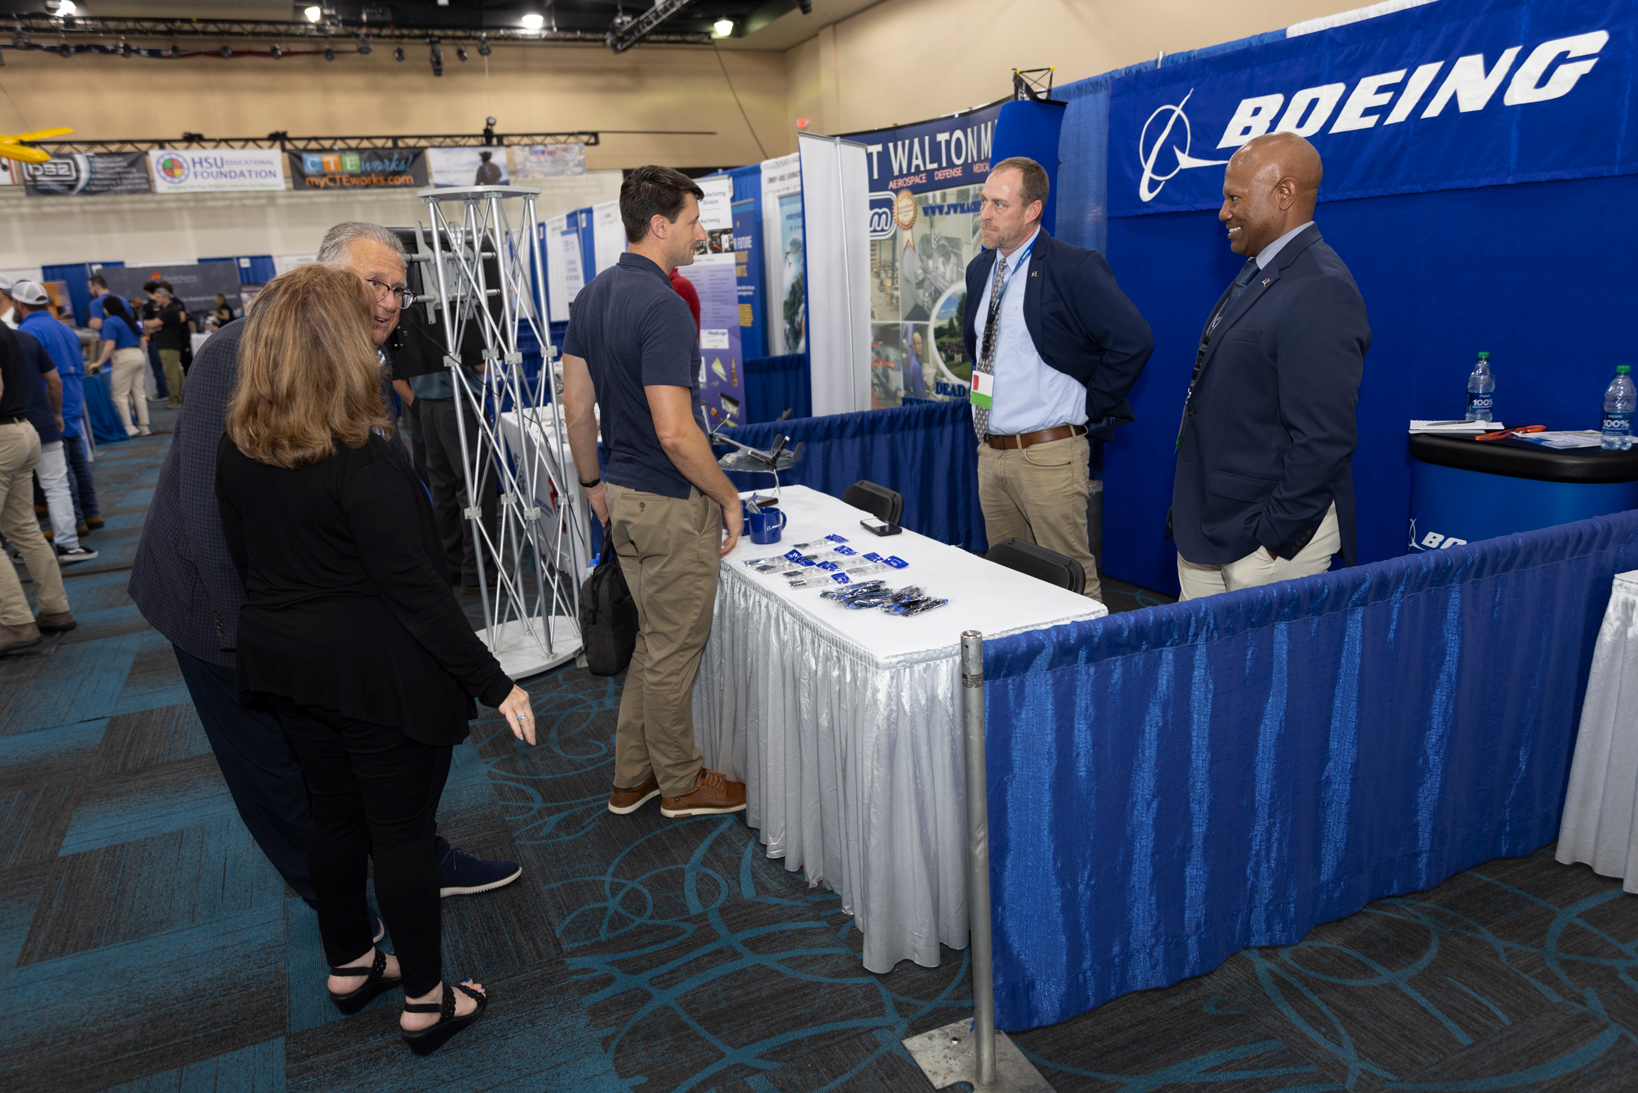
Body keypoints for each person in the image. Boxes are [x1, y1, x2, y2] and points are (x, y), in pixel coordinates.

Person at [129, 220, 523, 925]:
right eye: (373, 283)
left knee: (359, 760)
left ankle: (412, 859)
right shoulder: (236, 352)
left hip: (303, 607)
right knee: (281, 778)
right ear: (326, 278)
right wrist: (246, 640)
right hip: (218, 611)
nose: (388, 302)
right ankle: (345, 920)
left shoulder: (356, 353)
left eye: (399, 289)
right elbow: (205, 511)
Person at [216, 263, 532, 1053]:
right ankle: (427, 1002)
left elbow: (245, 560)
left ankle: (351, 964)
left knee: (334, 815)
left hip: (288, 669)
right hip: (375, 675)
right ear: (335, 346)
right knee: (398, 834)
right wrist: (496, 684)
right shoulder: (364, 456)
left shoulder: (237, 446)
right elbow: (419, 591)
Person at [562, 165, 748, 820]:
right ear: (661, 225)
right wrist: (728, 497)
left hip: (624, 495)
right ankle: (682, 781)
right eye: (695, 221)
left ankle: (631, 777)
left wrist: (593, 482)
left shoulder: (592, 297)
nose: (702, 233)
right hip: (670, 504)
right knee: (673, 652)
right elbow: (676, 432)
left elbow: (576, 408)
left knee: (653, 643)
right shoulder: (664, 305)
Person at [1170, 132, 1370, 600]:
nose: (1224, 212)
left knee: (1257, 675)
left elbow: (1324, 439)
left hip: (1261, 547)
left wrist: (1272, 547)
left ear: (1284, 194)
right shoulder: (1257, 272)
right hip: (1211, 530)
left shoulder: (1321, 288)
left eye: (1234, 198)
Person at [962, 156, 1153, 602]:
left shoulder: (1074, 267)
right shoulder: (980, 270)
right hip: (991, 454)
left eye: (999, 205)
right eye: (984, 202)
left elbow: (1134, 340)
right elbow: (982, 352)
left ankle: (1091, 672)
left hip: (1049, 455)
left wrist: (1090, 405)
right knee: (1005, 580)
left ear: (1032, 211)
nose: (985, 214)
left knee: (1071, 584)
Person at [0, 314, 75, 655]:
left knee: (21, 529)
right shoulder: (7, 330)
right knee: (23, 528)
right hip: (23, 430)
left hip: (3, 436)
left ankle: (15, 624)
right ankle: (55, 609)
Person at [13, 280, 100, 534]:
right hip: (71, 395)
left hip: (51, 400)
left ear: (19, 303)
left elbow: (41, 377)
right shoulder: (63, 327)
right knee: (76, 458)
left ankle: (74, 521)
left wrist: (53, 412)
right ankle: (91, 514)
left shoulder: (28, 331)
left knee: (59, 467)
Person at [92, 293, 151, 437]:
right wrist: (137, 353)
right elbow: (143, 341)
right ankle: (144, 426)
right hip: (138, 355)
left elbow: (110, 345)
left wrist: (99, 362)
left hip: (123, 357)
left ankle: (129, 426)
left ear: (106, 308)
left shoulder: (110, 322)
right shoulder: (129, 320)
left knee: (119, 395)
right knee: (139, 393)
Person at [144, 283, 188, 408]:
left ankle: (175, 400)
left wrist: (152, 325)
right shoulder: (167, 310)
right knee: (176, 373)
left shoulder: (170, 310)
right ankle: (181, 398)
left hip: (168, 346)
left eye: (158, 297)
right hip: (168, 345)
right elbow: (151, 325)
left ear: (165, 297)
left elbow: (151, 325)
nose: (155, 300)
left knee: (171, 374)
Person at [139, 282, 170, 402]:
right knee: (164, 367)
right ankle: (166, 391)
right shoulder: (161, 305)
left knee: (158, 367)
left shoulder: (148, 306)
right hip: (161, 339)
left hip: (155, 340)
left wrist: (151, 328)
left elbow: (147, 324)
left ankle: (163, 391)